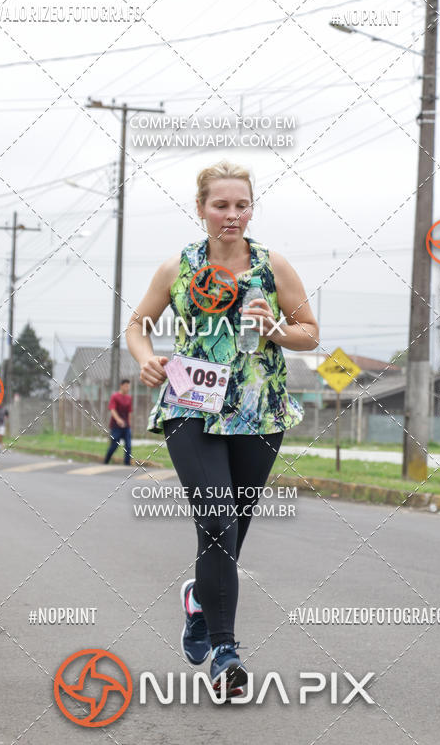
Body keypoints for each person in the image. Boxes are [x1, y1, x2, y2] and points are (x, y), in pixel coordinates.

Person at [126, 160, 319, 698]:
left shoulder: (272, 266)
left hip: (260, 410)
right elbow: (137, 323)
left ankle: (197, 599)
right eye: (221, 205)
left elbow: (310, 333)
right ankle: (225, 651)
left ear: (251, 209)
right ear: (201, 208)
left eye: (241, 205)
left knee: (230, 535)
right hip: (191, 404)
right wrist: (145, 357)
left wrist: (276, 327)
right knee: (215, 518)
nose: (231, 215)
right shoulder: (178, 268)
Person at [104, 379, 133, 466]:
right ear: (121, 386)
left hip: (126, 427)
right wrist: (118, 420)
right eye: (126, 386)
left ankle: (127, 464)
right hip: (116, 426)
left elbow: (129, 412)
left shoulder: (129, 398)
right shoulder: (115, 396)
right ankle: (106, 461)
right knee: (114, 446)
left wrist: (129, 424)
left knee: (128, 446)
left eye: (129, 386)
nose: (127, 388)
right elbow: (112, 409)